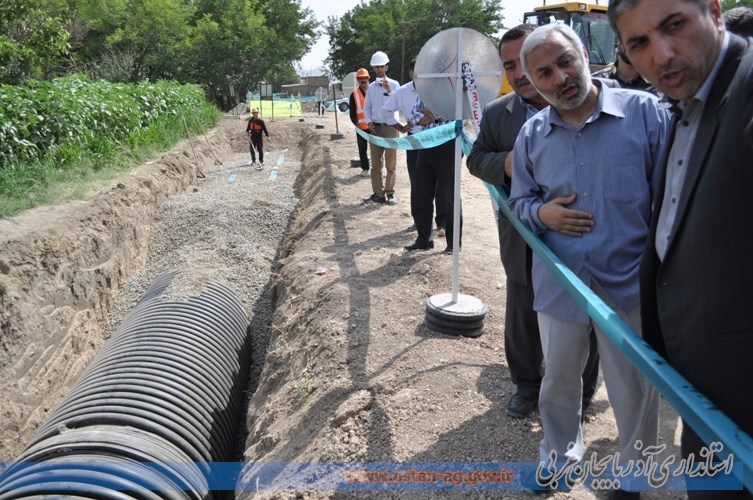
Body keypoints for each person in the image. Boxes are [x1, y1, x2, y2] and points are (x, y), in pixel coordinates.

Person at [508, 24, 669, 498]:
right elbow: (518, 204)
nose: (560, 77)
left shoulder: (646, 115)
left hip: (630, 286)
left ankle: (633, 474)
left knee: (635, 390)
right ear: (533, 84)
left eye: (566, 62)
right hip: (561, 287)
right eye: (545, 73)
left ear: (584, 55)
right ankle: (558, 457)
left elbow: (671, 199)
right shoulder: (532, 134)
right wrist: (542, 212)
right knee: (557, 381)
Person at [609, 1, 753, 498]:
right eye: (639, 44)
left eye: (674, 27)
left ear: (713, 12)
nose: (662, 55)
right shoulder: (687, 106)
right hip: (703, 391)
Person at [466, 24, 600, 420]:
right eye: (510, 65)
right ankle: (527, 386)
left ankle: (583, 393)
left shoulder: (585, 104)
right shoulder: (498, 115)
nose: (520, 73)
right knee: (523, 311)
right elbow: (475, 160)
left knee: (585, 315)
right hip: (522, 236)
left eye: (527, 61)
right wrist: (506, 163)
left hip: (581, 234)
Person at [382, 58, 447, 243]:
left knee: (442, 183)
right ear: (411, 74)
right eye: (418, 71)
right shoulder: (402, 92)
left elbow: (439, 115)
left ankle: (442, 222)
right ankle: (420, 222)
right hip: (415, 143)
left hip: (438, 140)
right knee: (418, 184)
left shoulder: (439, 90)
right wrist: (400, 127)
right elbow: (387, 111)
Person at [363, 51, 400, 205]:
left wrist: (389, 90)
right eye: (376, 67)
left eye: (381, 66)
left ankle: (390, 192)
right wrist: (368, 121)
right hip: (376, 129)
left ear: (386, 67)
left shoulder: (395, 85)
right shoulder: (371, 87)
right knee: (376, 164)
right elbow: (367, 107)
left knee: (391, 163)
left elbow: (398, 104)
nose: (379, 69)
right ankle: (378, 193)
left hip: (391, 127)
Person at [349, 68, 372, 178]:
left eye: (365, 78)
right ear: (358, 80)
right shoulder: (354, 94)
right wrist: (357, 125)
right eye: (361, 78)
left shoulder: (374, 91)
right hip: (361, 127)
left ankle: (378, 168)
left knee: (377, 149)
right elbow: (353, 113)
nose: (363, 80)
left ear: (368, 78)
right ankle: (365, 168)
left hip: (373, 126)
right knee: (362, 150)